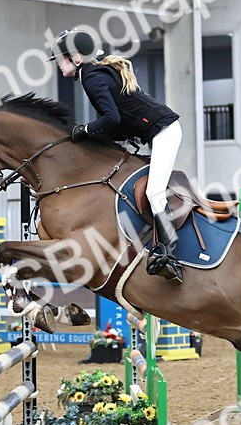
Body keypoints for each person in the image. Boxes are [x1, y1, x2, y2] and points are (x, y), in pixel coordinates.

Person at [49, 28, 184, 283]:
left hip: (165, 131)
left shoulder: (92, 78)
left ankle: (171, 255)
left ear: (76, 58)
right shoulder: (93, 73)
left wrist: (86, 130)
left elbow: (111, 118)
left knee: (154, 193)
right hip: (155, 132)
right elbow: (115, 121)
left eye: (60, 58)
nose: (58, 64)